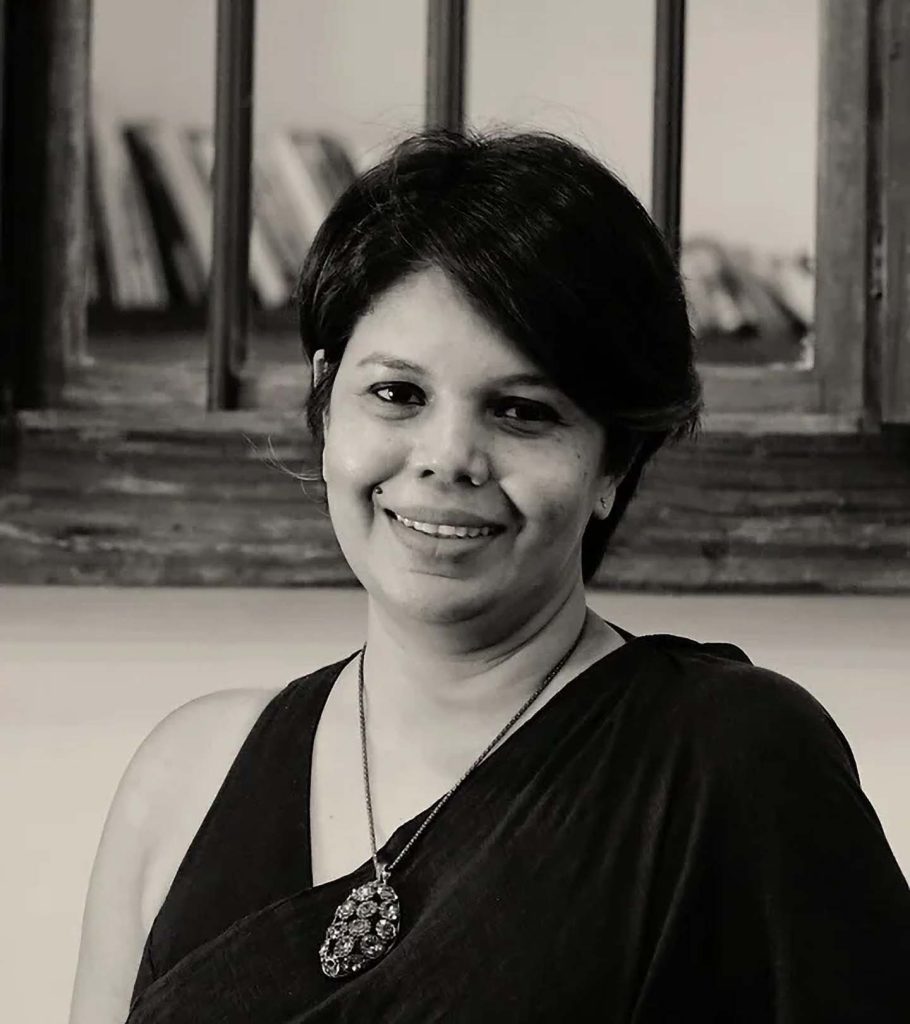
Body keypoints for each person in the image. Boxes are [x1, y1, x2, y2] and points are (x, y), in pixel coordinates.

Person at [69, 129, 910, 1023]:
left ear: (615, 462)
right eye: (398, 394)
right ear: (325, 403)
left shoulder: (734, 764)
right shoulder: (186, 778)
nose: (448, 458)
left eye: (520, 410)